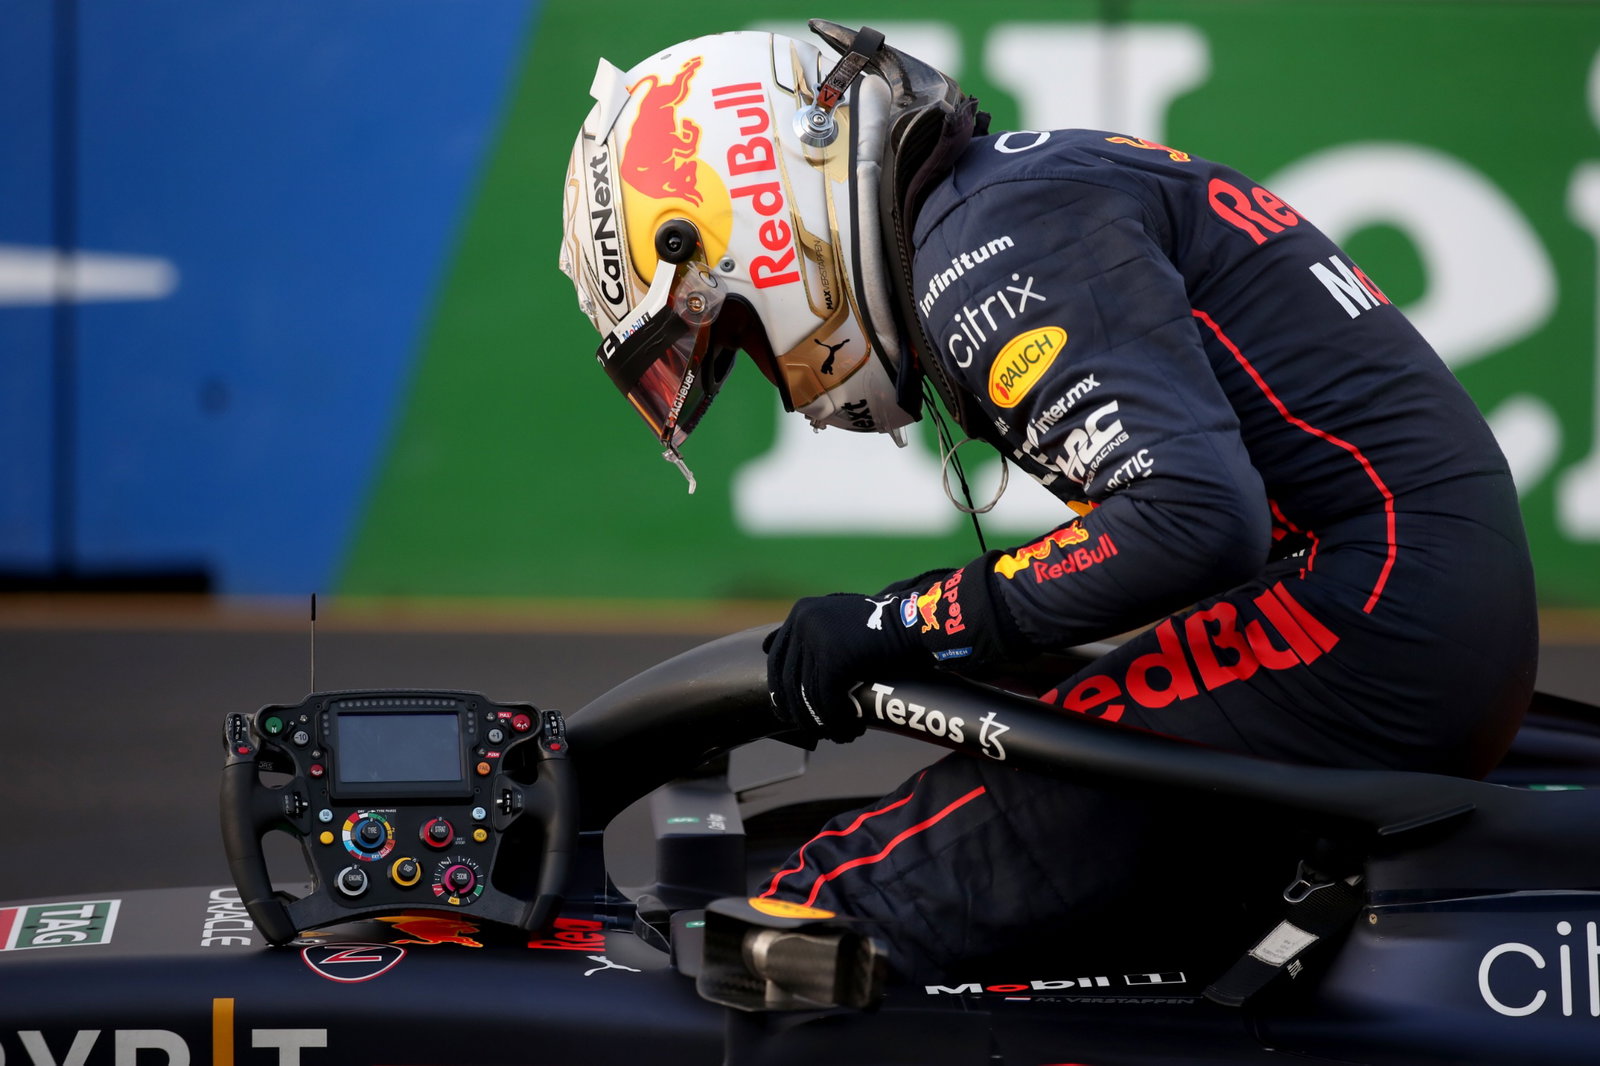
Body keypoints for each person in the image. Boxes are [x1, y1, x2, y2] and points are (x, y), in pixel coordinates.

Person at [557, 22, 1538, 978]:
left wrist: (897, 623)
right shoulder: (1006, 200)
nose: (779, 379)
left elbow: (1189, 520)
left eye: (733, 332)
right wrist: (913, 628)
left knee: (817, 913)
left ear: (761, 220)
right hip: (1405, 615)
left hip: (1367, 620)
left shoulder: (986, 241)